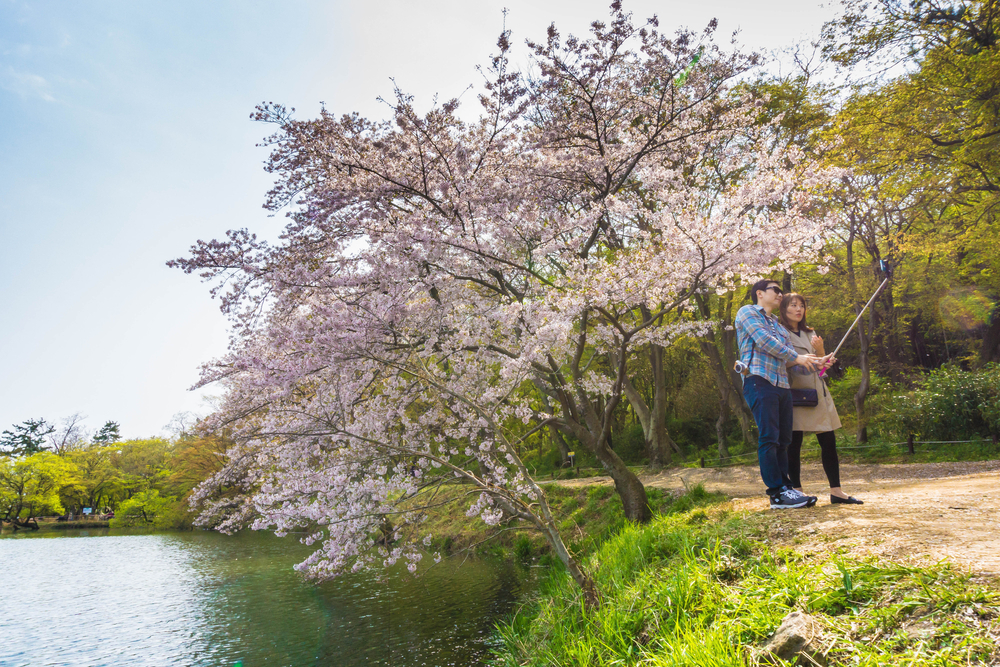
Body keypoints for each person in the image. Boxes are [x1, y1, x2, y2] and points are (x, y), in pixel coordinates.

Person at [735, 279, 830, 509]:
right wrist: (797, 357)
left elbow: (788, 361)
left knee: (784, 440)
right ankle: (776, 493)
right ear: (760, 293)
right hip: (759, 380)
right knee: (769, 437)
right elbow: (764, 341)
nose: (780, 294)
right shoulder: (748, 312)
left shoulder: (778, 324)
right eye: (775, 290)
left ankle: (787, 489)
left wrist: (815, 364)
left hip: (782, 385)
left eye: (780, 290)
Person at [779, 293, 863, 505]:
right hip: (795, 393)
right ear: (783, 309)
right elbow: (782, 362)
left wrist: (822, 353)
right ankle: (796, 490)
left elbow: (822, 369)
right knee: (794, 444)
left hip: (818, 392)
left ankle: (836, 491)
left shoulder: (810, 332)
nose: (799, 309)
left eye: (802, 306)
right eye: (793, 305)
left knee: (829, 442)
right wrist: (809, 360)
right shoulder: (780, 332)